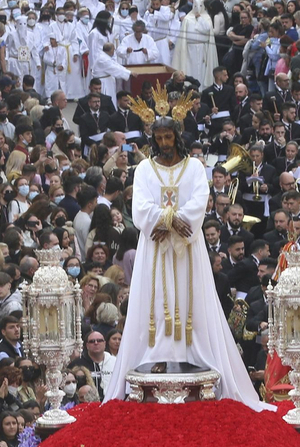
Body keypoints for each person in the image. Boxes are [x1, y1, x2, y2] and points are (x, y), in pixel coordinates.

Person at [102, 112, 267, 410]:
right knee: (155, 299)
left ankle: (191, 353)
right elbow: (139, 205)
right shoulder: (145, 168)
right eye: (159, 138)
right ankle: (155, 354)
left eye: (169, 137)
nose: (164, 143)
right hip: (155, 244)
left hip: (188, 245)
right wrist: (168, 219)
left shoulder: (194, 167)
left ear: (177, 136)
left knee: (190, 298)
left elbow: (199, 199)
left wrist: (178, 221)